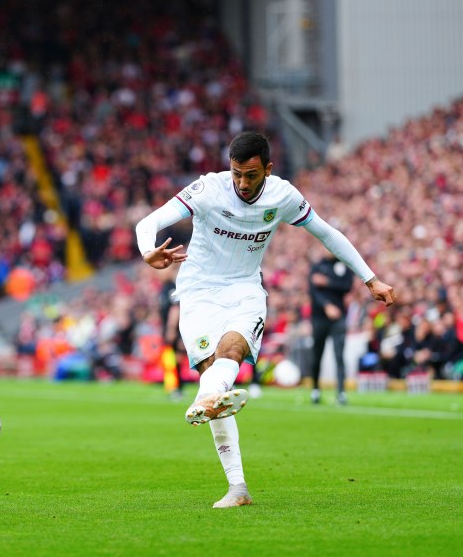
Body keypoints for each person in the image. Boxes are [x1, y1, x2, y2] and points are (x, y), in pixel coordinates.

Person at [135, 131, 395, 508]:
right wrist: (147, 251)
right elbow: (150, 222)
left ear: (268, 170)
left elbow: (327, 234)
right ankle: (237, 486)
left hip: (245, 289)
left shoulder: (283, 196)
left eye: (251, 175)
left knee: (232, 352)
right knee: (214, 376)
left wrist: (370, 278)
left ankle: (209, 398)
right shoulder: (209, 189)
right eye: (237, 173)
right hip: (198, 291)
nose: (242, 183)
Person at [308, 252, 355, 406]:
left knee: (339, 355)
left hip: (338, 317)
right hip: (319, 317)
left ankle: (341, 392)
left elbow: (347, 285)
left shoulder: (343, 264)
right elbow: (313, 291)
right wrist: (326, 306)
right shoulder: (317, 266)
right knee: (317, 355)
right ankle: (315, 389)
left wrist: (327, 282)